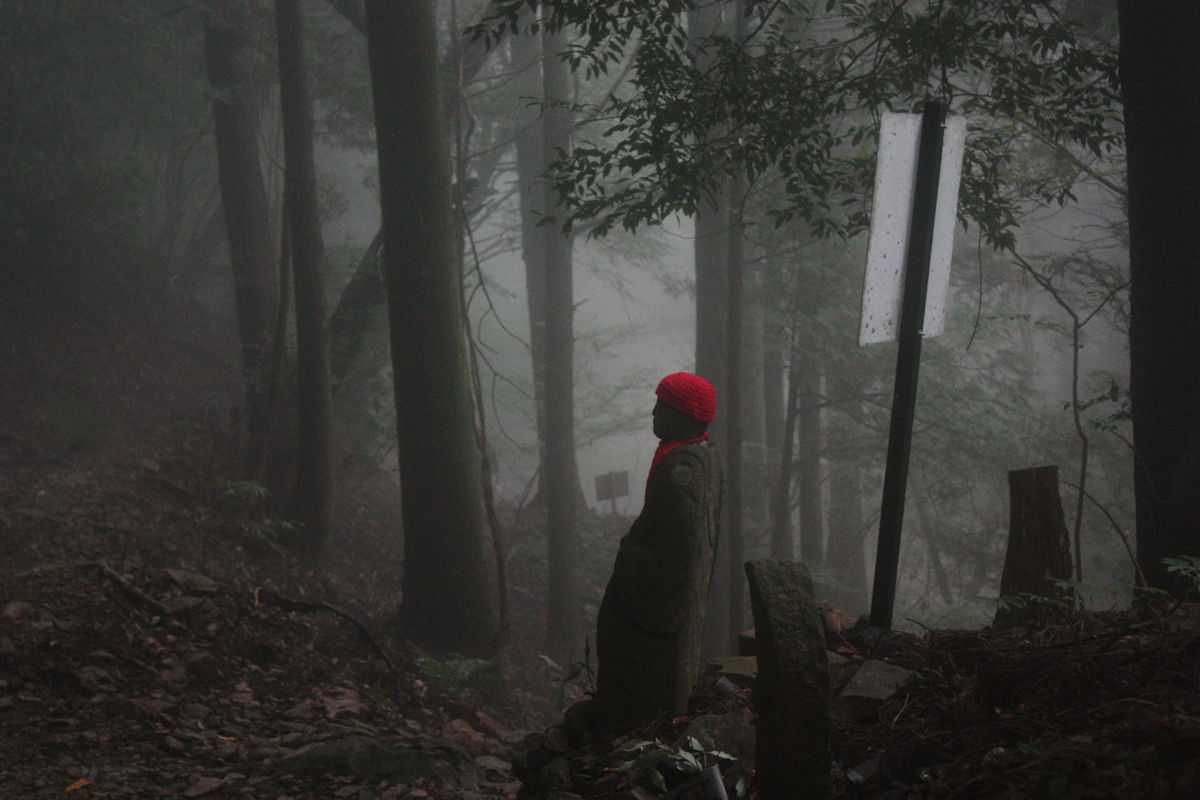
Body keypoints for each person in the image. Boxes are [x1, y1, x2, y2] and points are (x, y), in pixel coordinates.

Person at [587, 371, 724, 736]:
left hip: (657, 605)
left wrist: (631, 554)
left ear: (683, 414)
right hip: (668, 601)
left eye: (662, 405)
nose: (653, 412)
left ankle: (625, 724)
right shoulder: (701, 457)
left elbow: (675, 547)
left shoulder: (680, 470)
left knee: (627, 658)